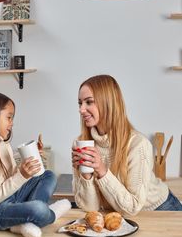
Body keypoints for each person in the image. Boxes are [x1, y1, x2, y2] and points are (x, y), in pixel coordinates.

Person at [0, 89, 71, 237]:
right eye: (9, 117)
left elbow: (11, 176)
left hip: (9, 199)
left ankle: (23, 221)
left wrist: (29, 161)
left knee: (48, 175)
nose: (12, 123)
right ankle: (49, 214)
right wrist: (23, 175)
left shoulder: (1, 143)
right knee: (39, 208)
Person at [72, 74, 182, 215]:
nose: (81, 109)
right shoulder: (81, 143)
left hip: (158, 210)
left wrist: (101, 170)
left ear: (107, 103)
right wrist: (85, 175)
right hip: (118, 213)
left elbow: (133, 206)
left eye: (89, 102)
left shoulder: (138, 144)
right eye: (80, 103)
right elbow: (90, 209)